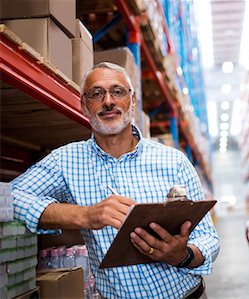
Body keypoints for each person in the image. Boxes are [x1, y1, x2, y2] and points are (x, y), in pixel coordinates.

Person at [12, 62, 220, 298]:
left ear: (132, 101)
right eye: (96, 93)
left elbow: (208, 238)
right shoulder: (65, 161)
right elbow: (12, 197)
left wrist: (183, 255)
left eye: (117, 91)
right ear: (84, 105)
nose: (108, 101)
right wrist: (84, 215)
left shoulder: (173, 161)